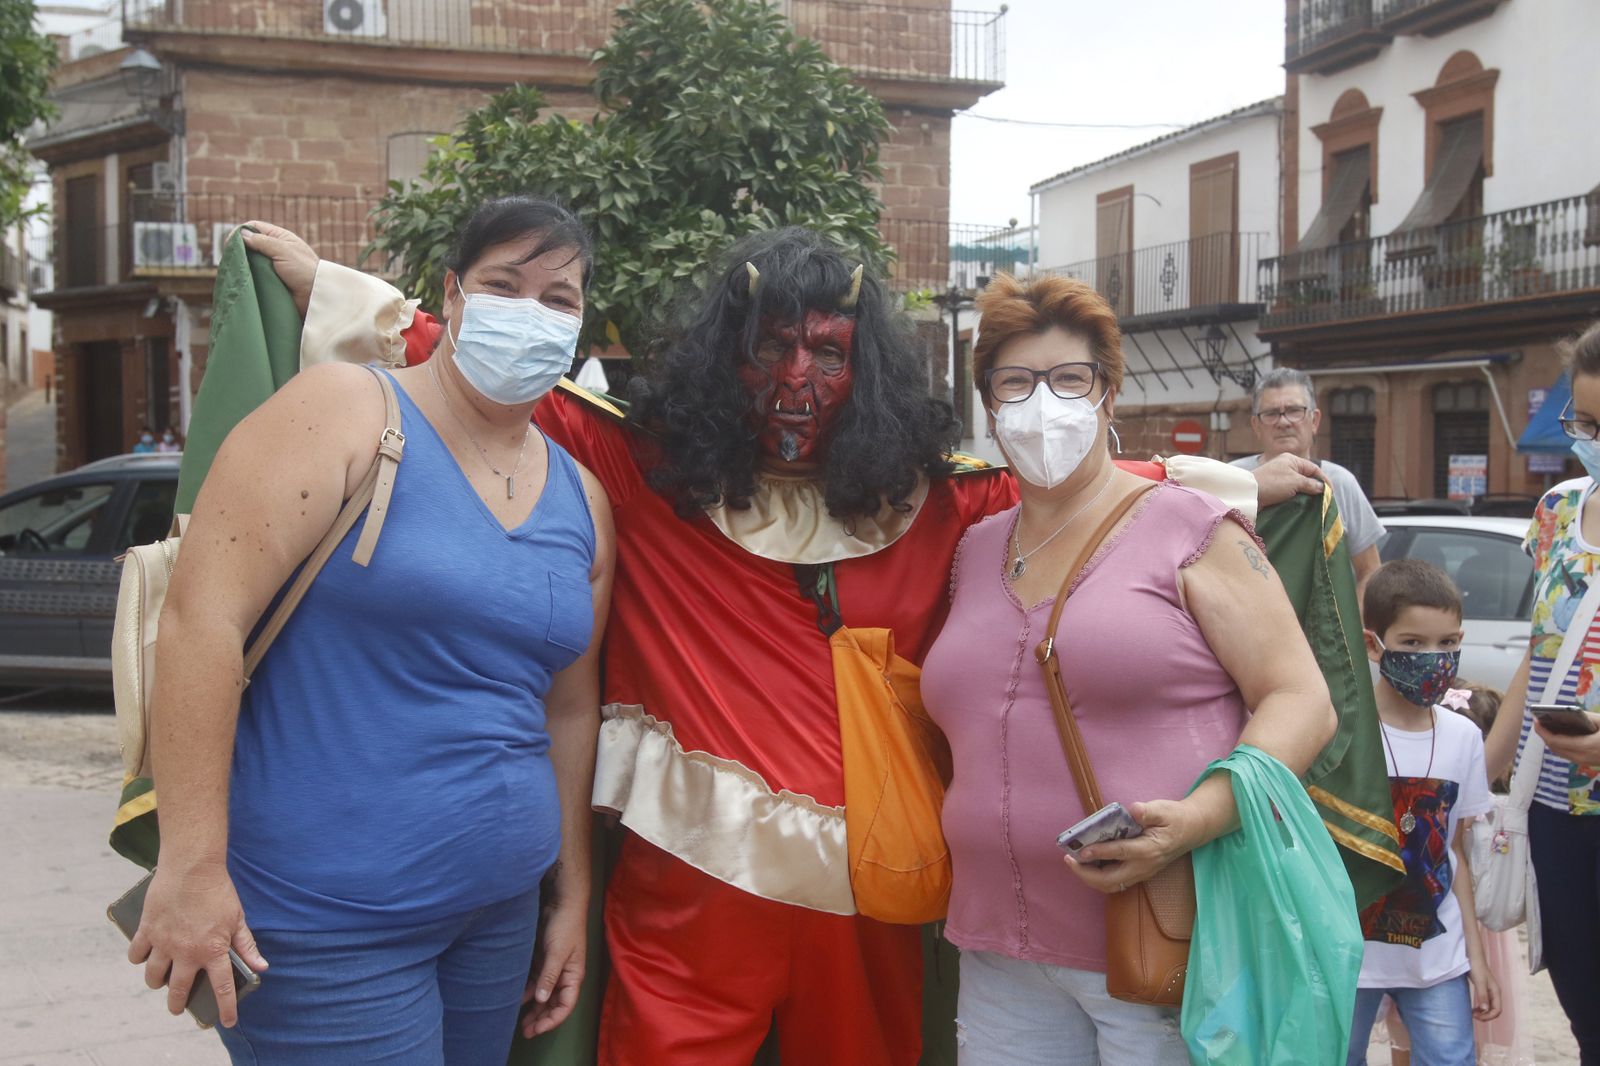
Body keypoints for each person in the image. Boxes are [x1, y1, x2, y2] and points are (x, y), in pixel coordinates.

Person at [248, 220, 1341, 1065]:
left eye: (827, 350)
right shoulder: (643, 469)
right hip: (684, 887)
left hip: (877, 891)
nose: (797, 377)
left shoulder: (943, 503)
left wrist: (1249, 481)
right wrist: (328, 285)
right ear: (727, 354)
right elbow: (482, 372)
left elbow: (1102, 489)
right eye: (773, 345)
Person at [126, 196, 616, 1064]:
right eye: (506, 285)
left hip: (496, 920)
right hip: (323, 928)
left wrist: (570, 895)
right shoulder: (348, 411)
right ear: (453, 297)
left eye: (560, 300)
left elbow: (569, 709)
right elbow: (203, 619)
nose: (532, 315)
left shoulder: (585, 499)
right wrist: (191, 866)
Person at [922, 272, 1338, 1064]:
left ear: (1107, 394)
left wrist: (1202, 817)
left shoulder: (1191, 527)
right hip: (1000, 950)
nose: (1044, 404)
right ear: (989, 404)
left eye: (1069, 379)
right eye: (1016, 382)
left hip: (1163, 941)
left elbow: (1302, 699)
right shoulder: (975, 551)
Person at [1484, 319, 1600, 1062]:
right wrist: (1479, 769)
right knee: (1586, 1010)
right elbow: (1541, 651)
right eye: (1586, 421)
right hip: (1556, 808)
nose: (1592, 437)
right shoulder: (1558, 510)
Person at [1348, 559, 1499, 1066]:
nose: (1433, 658)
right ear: (1374, 645)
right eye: (1412, 643)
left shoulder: (1463, 737)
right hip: (1349, 958)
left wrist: (1475, 960)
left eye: (1447, 644)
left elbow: (1455, 851)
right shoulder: (1341, 732)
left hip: (1436, 959)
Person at [1232, 367, 1386, 594]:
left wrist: (1357, 626)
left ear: (1314, 420)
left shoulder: (1340, 482)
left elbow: (1370, 570)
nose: (1283, 422)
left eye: (1294, 410)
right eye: (1272, 413)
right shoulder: (1233, 479)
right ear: (1256, 425)